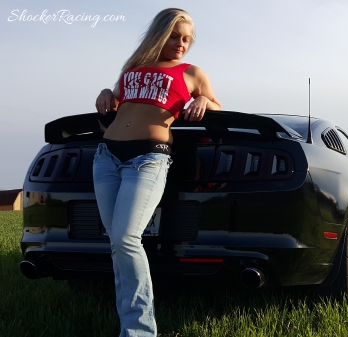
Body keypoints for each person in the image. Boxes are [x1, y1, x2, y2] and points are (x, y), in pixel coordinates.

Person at [93, 8, 221, 337]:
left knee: (125, 237)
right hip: (107, 156)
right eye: (175, 36)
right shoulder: (133, 69)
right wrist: (107, 93)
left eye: (187, 39)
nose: (181, 43)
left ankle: (139, 331)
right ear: (160, 34)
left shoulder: (191, 72)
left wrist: (205, 100)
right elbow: (119, 101)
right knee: (118, 243)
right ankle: (131, 325)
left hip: (149, 158)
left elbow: (220, 108)